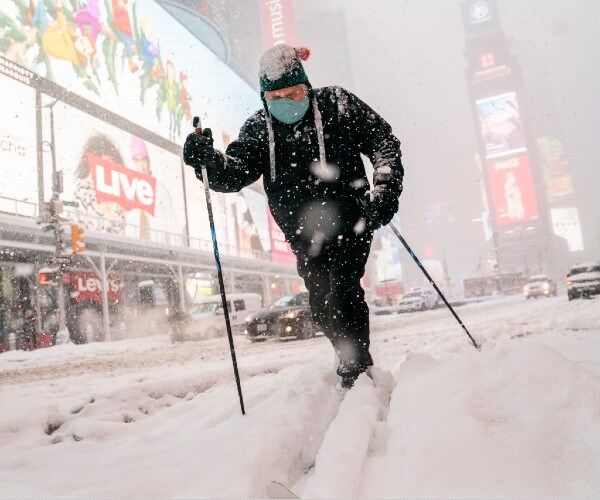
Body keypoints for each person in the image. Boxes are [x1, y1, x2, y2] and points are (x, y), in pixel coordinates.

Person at [183, 44, 403, 388]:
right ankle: (344, 350)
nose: (286, 101)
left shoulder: (337, 105)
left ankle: (356, 368)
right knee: (321, 305)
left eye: (295, 92)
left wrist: (385, 189)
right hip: (302, 233)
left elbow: (383, 142)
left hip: (352, 221)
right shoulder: (259, 128)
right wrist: (209, 161)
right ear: (264, 97)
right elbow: (235, 172)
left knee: (344, 292)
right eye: (276, 96)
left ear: (307, 87)